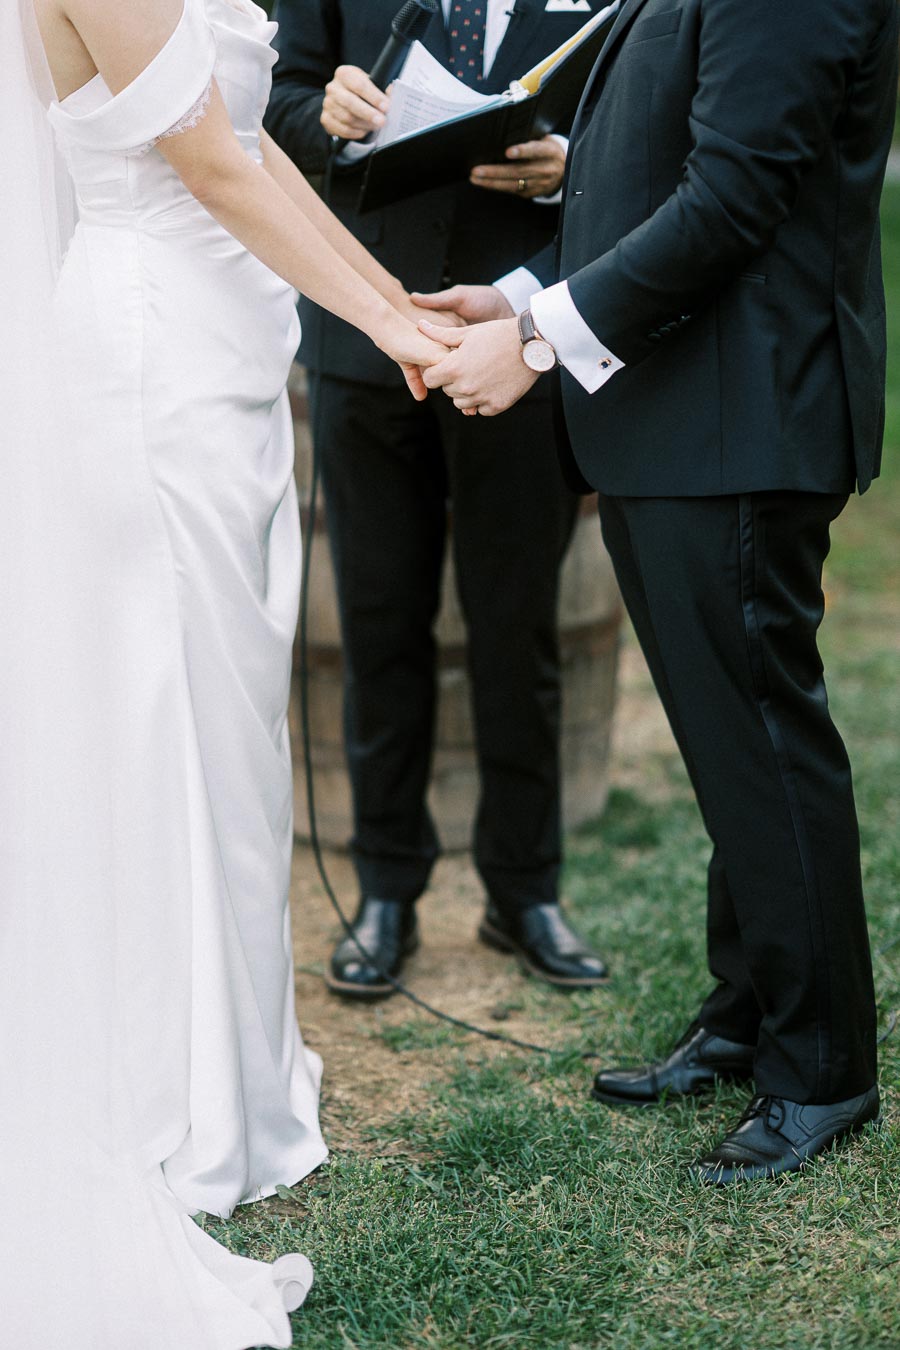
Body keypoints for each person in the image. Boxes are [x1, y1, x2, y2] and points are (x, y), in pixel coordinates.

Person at [3, 0, 446, 1343]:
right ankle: (167, 1101)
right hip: (147, 371)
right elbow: (211, 168)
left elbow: (257, 141)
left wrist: (389, 302)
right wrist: (399, 330)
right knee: (162, 731)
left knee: (232, 735)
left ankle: (239, 1077)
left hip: (227, 361)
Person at [416, 0, 897, 1182]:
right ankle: (750, 1016)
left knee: (763, 742)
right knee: (728, 739)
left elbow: (734, 201)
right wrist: (527, 297)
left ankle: (822, 1070)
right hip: (683, 419)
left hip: (738, 418)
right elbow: (640, 180)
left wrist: (534, 347)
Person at [265, 0, 611, 1000]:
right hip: (363, 341)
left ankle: (524, 889)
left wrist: (573, 162)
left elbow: (638, 124)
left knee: (517, 622)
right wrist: (320, 112)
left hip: (518, 342)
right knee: (380, 621)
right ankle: (387, 889)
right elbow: (276, 106)